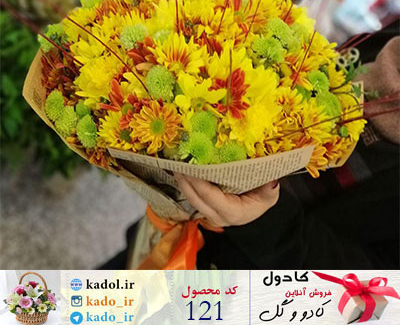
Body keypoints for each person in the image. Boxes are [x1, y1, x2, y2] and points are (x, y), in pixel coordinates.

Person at [100, 24, 399, 270]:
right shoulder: (386, 38)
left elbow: (376, 290)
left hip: (244, 287)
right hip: (170, 227)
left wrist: (267, 223)